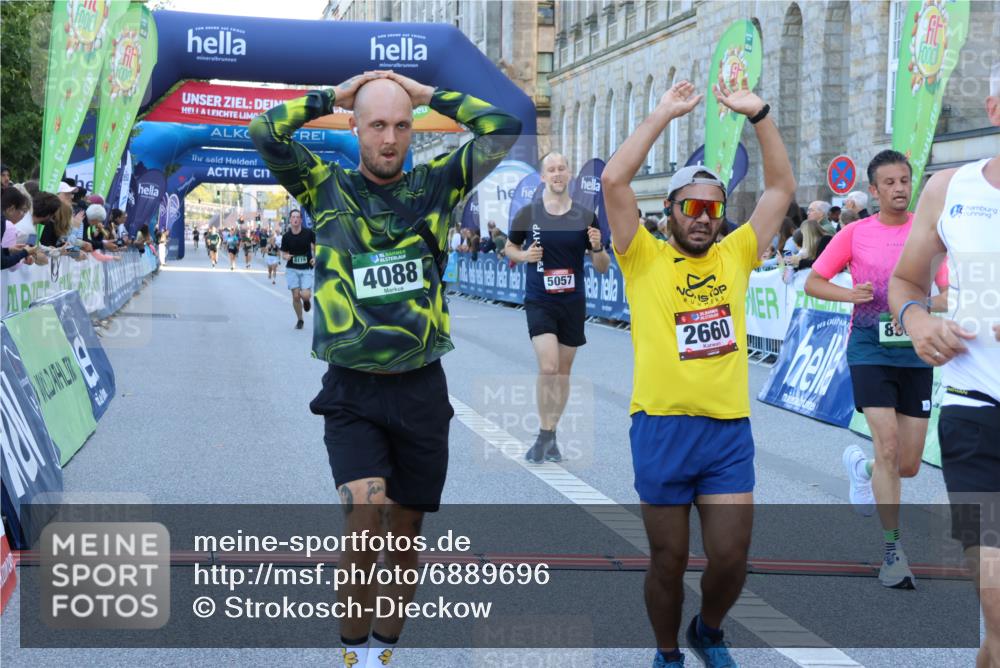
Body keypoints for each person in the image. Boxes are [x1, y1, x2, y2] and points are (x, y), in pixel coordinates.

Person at [251, 68, 520, 668]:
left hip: (422, 389)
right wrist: (333, 95)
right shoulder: (323, 185)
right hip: (351, 390)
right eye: (376, 124)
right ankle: (348, 657)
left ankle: (381, 656)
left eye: (401, 125)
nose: (390, 138)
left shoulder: (438, 185)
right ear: (355, 127)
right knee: (365, 525)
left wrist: (428, 97)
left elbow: (505, 127)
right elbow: (264, 132)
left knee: (402, 543)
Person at [602, 76, 795, 668]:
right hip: (661, 428)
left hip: (726, 432)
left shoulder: (736, 254)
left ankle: (708, 629)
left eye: (715, 208)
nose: (707, 217)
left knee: (732, 557)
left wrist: (758, 112)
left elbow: (782, 187)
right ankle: (667, 652)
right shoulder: (642, 257)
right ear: (672, 212)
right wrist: (661, 111)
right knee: (668, 559)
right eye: (695, 207)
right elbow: (614, 180)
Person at [888, 62, 1000, 668]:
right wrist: (919, 322)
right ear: (994, 110)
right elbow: (907, 280)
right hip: (975, 411)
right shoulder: (950, 189)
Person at [805, 149, 949, 590]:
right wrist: (850, 297)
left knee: (906, 464)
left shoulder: (928, 235)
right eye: (889, 182)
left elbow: (947, 294)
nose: (899, 188)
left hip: (915, 353)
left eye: (905, 180)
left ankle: (862, 471)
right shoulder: (856, 233)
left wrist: (919, 304)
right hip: (868, 348)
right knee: (887, 447)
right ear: (873, 190)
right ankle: (893, 552)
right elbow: (814, 279)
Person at [505, 152, 610, 463]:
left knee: (563, 372)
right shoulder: (528, 214)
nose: (557, 173)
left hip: (572, 301)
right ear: (543, 177)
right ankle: (544, 433)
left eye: (562, 168)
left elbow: (602, 267)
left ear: (570, 174)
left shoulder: (585, 216)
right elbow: (509, 246)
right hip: (540, 299)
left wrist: (598, 246)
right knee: (549, 367)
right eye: (551, 169)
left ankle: (549, 435)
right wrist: (524, 257)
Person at [278, 210, 316, 329]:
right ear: (290, 220)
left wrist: (315, 258)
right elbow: (283, 253)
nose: (295, 219)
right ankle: (300, 320)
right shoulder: (286, 237)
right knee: (295, 296)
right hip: (292, 269)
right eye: (293, 217)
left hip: (306, 268)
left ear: (300, 220)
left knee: (305, 294)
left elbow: (317, 247)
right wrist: (286, 256)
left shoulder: (308, 233)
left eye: (297, 217)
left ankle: (306, 300)